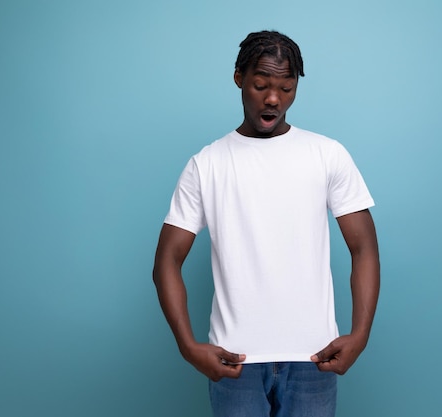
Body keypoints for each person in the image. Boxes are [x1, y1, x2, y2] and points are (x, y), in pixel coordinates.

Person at [153, 30, 380, 417]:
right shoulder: (206, 165)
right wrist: (187, 346)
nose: (273, 98)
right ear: (239, 78)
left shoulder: (327, 154)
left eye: (286, 88)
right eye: (261, 85)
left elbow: (364, 248)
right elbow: (166, 262)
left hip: (314, 358)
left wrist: (360, 335)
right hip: (235, 361)